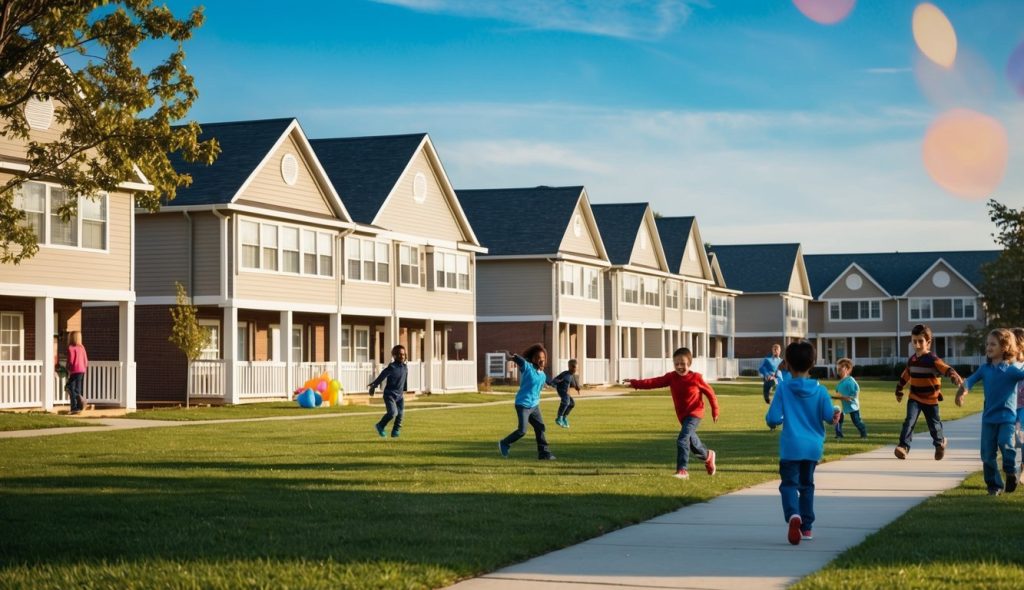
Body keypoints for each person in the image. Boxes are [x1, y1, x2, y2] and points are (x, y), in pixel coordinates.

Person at [765, 340, 842, 545]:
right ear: (813, 363)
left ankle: (793, 515)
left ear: (787, 364)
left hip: (791, 447)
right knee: (807, 486)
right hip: (812, 448)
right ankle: (806, 528)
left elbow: (772, 419)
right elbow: (828, 416)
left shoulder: (783, 389)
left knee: (789, 485)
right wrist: (835, 412)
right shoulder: (821, 391)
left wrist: (781, 420)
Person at [627, 347, 720, 480]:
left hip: (695, 413)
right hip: (682, 416)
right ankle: (708, 456)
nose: (679, 366)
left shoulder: (696, 378)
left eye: (683, 363)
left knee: (682, 439)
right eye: (676, 363)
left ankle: (683, 470)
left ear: (690, 363)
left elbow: (710, 393)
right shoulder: (671, 377)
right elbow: (654, 382)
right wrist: (635, 383)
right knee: (693, 443)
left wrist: (715, 410)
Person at [956, 328, 1024, 495]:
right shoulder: (984, 369)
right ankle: (994, 485)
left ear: (1005, 347)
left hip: (1007, 418)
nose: (988, 347)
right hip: (988, 419)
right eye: (987, 344)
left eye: (993, 344)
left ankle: (1009, 471)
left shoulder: (1011, 370)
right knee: (987, 455)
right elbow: (970, 381)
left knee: (1006, 444)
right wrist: (962, 392)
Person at [894, 324, 963, 461]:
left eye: (921, 341)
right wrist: (899, 389)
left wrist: (953, 375)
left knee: (934, 425)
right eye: (914, 341)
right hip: (914, 397)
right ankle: (903, 447)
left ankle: (939, 444)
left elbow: (946, 368)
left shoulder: (933, 359)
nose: (917, 345)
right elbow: (906, 375)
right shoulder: (912, 360)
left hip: (931, 399)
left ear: (928, 342)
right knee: (909, 421)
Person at [499, 344, 556, 460]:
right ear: (534, 359)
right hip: (523, 404)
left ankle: (544, 453)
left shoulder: (543, 375)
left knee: (540, 427)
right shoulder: (527, 367)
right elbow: (519, 359)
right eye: (539, 358)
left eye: (543, 358)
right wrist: (511, 357)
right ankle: (504, 443)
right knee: (522, 431)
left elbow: (552, 382)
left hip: (534, 406)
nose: (542, 360)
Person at [368, 345, 409, 438]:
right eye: (399, 354)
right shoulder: (392, 367)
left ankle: (395, 431)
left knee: (401, 414)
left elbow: (405, 378)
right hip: (389, 395)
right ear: (394, 356)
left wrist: (405, 389)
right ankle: (380, 425)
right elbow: (382, 375)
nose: (402, 356)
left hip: (400, 395)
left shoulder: (405, 367)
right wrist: (374, 385)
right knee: (393, 413)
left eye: (403, 354)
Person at [831, 358, 867, 439]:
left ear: (847, 369)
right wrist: (834, 396)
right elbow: (838, 393)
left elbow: (856, 391)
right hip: (843, 406)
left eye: (841, 368)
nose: (838, 369)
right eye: (838, 368)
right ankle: (839, 435)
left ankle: (863, 434)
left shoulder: (850, 381)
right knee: (838, 419)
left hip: (852, 405)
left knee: (856, 421)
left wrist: (850, 398)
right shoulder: (840, 383)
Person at [553, 359, 581, 428]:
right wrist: (556, 382)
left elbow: (574, 383)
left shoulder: (573, 375)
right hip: (561, 391)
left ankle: (564, 417)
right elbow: (555, 380)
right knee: (566, 402)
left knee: (572, 403)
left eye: (576, 368)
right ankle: (559, 418)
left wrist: (577, 387)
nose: (575, 369)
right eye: (574, 367)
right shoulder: (565, 374)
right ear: (569, 367)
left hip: (567, 393)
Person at [66, 331, 88, 415]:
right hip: (82, 370)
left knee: (70, 388)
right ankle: (79, 405)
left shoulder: (71, 348)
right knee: (76, 389)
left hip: (74, 370)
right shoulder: (82, 347)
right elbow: (86, 360)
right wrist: (84, 367)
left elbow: (71, 361)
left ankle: (74, 407)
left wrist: (68, 368)